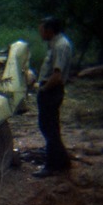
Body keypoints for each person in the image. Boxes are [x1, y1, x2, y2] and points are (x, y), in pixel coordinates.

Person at [33, 16, 72, 178]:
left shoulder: (61, 46)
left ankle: (52, 166)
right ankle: (62, 161)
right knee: (49, 128)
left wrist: (44, 89)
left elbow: (57, 75)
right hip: (49, 90)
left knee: (49, 128)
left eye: (42, 29)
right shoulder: (55, 44)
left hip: (51, 91)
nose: (40, 33)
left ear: (49, 30)